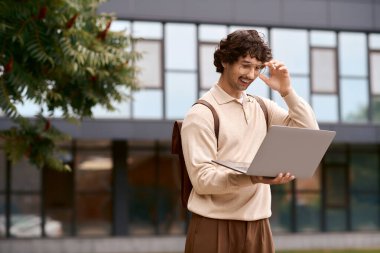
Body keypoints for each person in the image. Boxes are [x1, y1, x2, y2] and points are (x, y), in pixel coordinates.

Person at [180, 29, 319, 253]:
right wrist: (253, 177)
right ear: (225, 61)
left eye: (257, 68)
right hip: (213, 225)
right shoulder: (202, 113)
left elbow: (308, 133)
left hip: (259, 225)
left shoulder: (261, 107)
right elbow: (202, 180)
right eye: (245, 65)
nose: (252, 75)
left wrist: (287, 91)